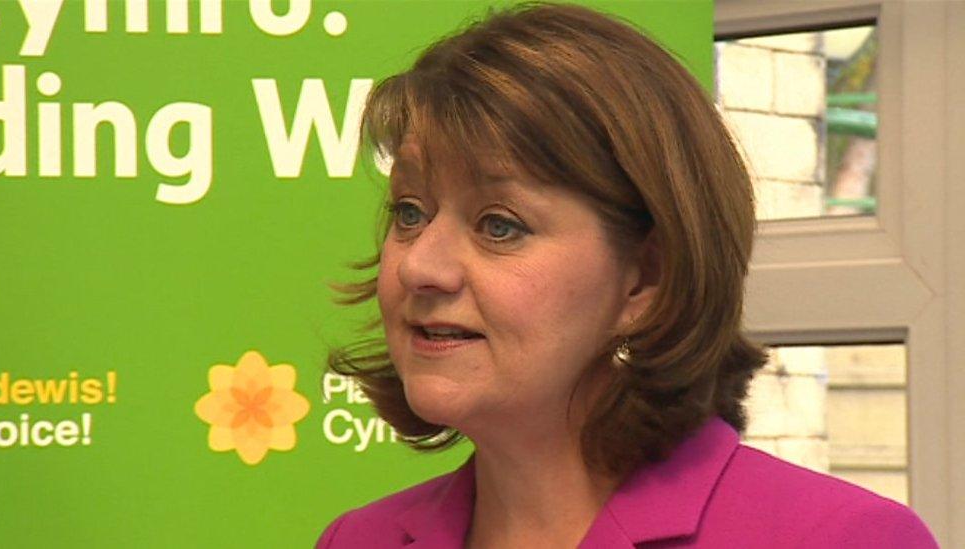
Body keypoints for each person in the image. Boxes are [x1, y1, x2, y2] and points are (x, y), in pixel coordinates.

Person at [317, 3, 939, 548]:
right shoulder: (357, 540)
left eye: (499, 225)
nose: (421, 265)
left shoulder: (841, 541)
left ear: (646, 279)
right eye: (409, 212)